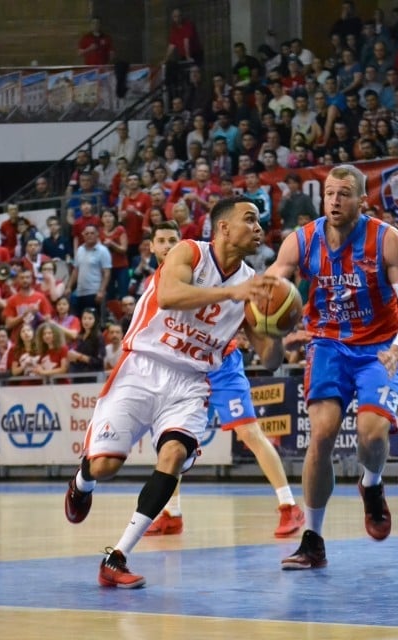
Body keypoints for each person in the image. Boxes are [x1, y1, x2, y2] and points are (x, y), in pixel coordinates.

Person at [63, 200, 283, 588]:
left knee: (175, 455)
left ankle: (117, 557)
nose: (258, 226)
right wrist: (231, 294)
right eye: (249, 219)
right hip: (143, 366)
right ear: (223, 228)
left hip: (191, 380)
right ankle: (83, 480)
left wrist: (279, 325)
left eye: (260, 221)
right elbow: (168, 296)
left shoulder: (251, 283)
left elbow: (269, 359)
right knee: (105, 467)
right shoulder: (189, 252)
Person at [266, 165, 398, 569]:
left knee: (371, 436)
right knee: (320, 435)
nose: (335, 201)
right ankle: (313, 539)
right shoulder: (300, 241)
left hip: (380, 347)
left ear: (362, 201)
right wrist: (271, 324)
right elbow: (266, 291)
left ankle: (371, 485)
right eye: (329, 194)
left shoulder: (388, 240)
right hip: (328, 344)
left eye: (344, 194)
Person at [139, 222, 304, 538]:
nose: (168, 246)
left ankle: (289, 506)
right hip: (182, 367)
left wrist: (274, 332)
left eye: (174, 240)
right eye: (161, 240)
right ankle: (171, 512)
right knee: (170, 442)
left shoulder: (203, 266)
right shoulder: (155, 283)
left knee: (249, 433)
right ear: (151, 247)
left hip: (221, 363)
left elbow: (242, 314)